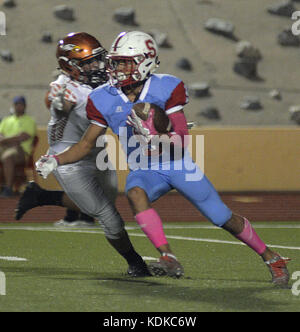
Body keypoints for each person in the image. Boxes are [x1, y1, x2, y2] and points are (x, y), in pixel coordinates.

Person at [35, 31, 291, 286]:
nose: (117, 68)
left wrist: (157, 135)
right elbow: (85, 145)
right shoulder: (102, 97)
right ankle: (167, 256)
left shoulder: (166, 86)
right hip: (145, 168)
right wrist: (56, 159)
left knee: (222, 217)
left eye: (125, 61)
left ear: (145, 61)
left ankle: (271, 258)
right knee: (135, 194)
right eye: (116, 61)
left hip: (177, 163)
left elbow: (181, 138)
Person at [17, 32, 150, 277]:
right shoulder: (65, 86)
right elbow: (59, 101)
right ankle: (136, 264)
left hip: (96, 153)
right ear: (70, 66)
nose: (95, 66)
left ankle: (41, 196)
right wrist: (56, 102)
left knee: (101, 204)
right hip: (68, 158)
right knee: (107, 215)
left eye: (97, 59)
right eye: (87, 62)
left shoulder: (105, 84)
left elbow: (129, 106)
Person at [0, 96, 37, 197]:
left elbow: (23, 137)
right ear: (13, 106)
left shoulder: (29, 120)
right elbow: (1, 135)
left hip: (21, 151)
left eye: (21, 104)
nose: (18, 106)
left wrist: (5, 140)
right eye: (16, 104)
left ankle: (8, 188)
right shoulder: (6, 120)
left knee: (8, 157)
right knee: (6, 154)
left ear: (25, 106)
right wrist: (13, 139)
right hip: (4, 147)